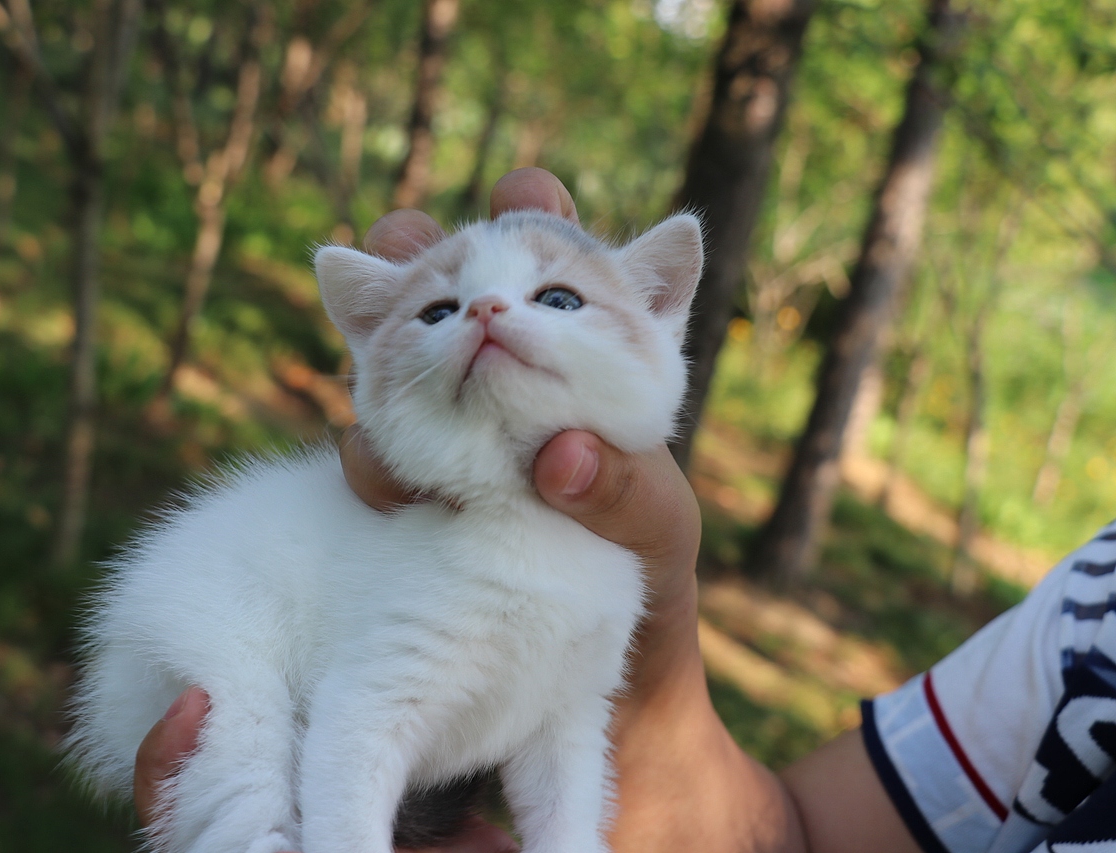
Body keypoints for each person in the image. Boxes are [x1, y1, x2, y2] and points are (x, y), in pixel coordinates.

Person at [130, 169, 1116, 853]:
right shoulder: (1085, 639)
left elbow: (563, 739)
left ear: (656, 317)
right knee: (250, 784)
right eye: (435, 309)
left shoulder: (593, 578)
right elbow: (787, 839)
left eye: (553, 296)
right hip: (239, 617)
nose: (485, 308)